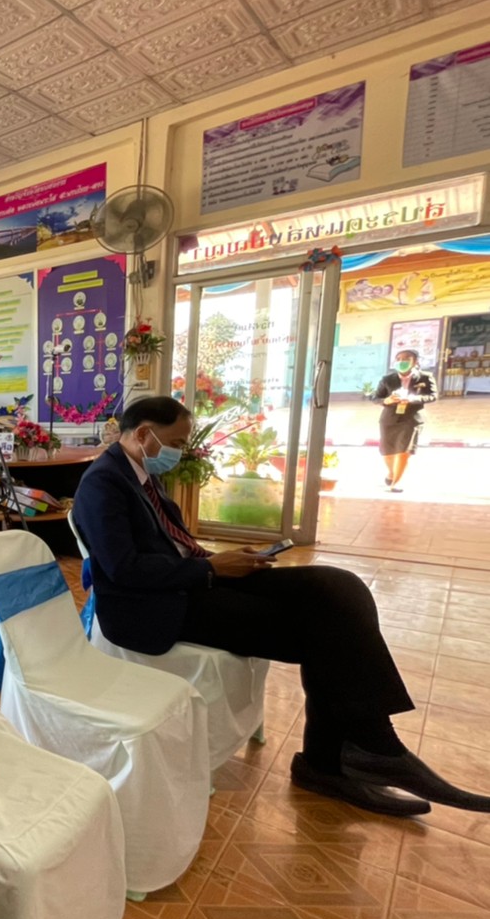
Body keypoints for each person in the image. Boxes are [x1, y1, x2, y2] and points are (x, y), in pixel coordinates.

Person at [72, 395, 490, 818]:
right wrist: (211, 569)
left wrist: (217, 560)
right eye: (177, 442)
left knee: (339, 588)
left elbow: (170, 542)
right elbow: (124, 569)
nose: (181, 452)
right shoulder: (102, 483)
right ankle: (355, 754)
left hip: (191, 582)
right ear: (145, 434)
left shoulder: (142, 472)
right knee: (322, 629)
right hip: (153, 608)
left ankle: (356, 752)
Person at [373, 349, 437, 492]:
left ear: (415, 362)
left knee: (404, 450)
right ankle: (392, 473)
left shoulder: (425, 377)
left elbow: (432, 396)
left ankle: (397, 482)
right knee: (387, 450)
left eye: (406, 358)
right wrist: (387, 400)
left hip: (411, 418)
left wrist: (414, 399)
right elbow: (376, 397)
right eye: (399, 359)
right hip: (389, 418)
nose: (402, 361)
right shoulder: (387, 379)